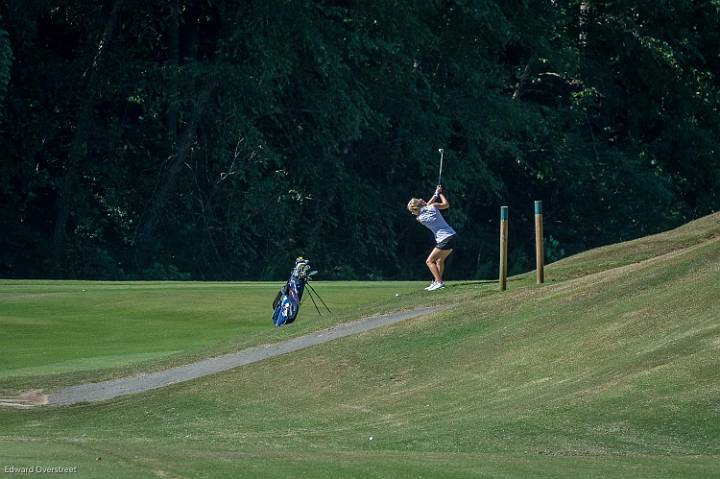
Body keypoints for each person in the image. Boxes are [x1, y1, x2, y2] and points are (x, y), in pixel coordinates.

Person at [406, 185, 457, 291]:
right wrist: (439, 193)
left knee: (429, 261)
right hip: (452, 236)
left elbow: (426, 207)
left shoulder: (420, 218)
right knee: (439, 261)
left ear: (416, 209)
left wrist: (436, 194)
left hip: (445, 239)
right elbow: (446, 205)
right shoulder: (433, 206)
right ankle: (436, 281)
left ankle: (439, 282)